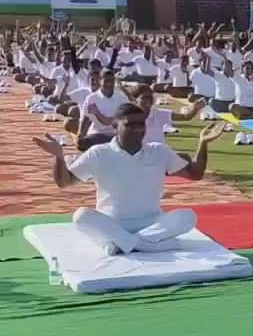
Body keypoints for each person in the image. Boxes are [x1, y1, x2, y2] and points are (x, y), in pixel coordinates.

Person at [32, 105, 225, 257]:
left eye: (141, 124)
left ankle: (122, 244)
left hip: (153, 224)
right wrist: (58, 156)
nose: (137, 129)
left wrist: (203, 143)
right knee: (81, 217)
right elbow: (64, 182)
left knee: (188, 216)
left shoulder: (158, 151)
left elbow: (195, 174)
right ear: (115, 127)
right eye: (130, 124)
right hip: (112, 223)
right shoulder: (99, 153)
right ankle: (148, 246)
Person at [77, 69, 129, 151]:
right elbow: (86, 118)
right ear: (100, 81)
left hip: (116, 134)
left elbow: (110, 121)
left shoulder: (122, 98)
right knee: (83, 143)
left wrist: (97, 112)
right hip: (97, 134)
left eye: (112, 81)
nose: (109, 83)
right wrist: (80, 134)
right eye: (106, 81)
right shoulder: (92, 98)